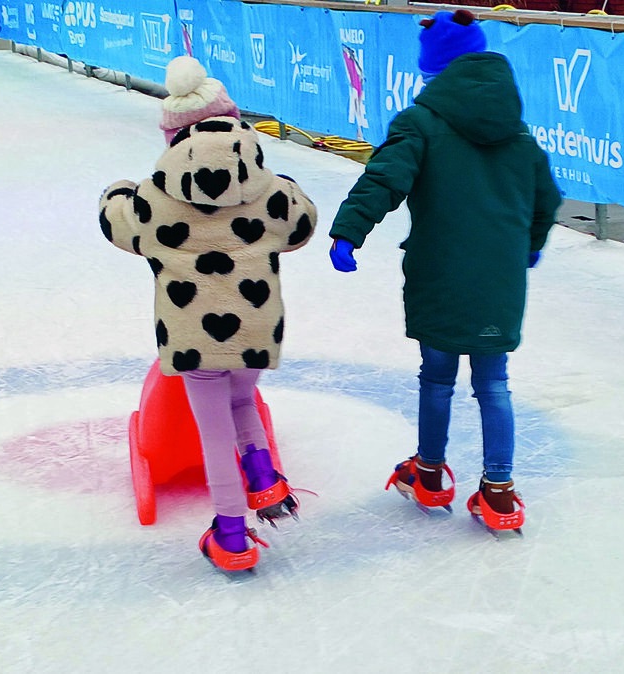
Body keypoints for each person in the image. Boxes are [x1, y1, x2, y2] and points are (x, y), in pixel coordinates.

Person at [328, 10, 561, 534]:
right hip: (499, 281)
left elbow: (384, 178)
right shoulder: (518, 135)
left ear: (434, 70)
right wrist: (529, 245)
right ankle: (499, 492)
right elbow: (547, 199)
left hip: (439, 274)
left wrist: (349, 230)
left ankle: (430, 474)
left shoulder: (421, 123)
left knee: (436, 377)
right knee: (493, 383)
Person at [100, 56, 317, 571]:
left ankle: (231, 532)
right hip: (257, 326)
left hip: (193, 334)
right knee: (242, 399)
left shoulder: (156, 193)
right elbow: (301, 223)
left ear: (173, 134)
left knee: (213, 428)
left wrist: (115, 193)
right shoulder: (265, 184)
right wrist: (282, 184)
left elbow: (119, 224)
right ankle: (263, 478)